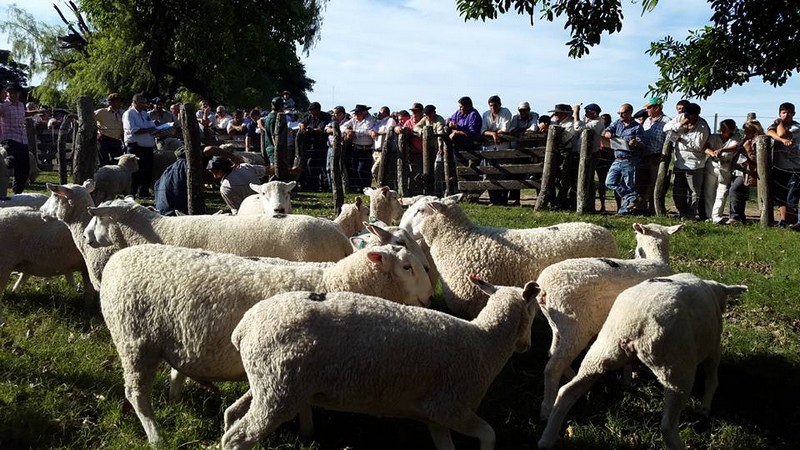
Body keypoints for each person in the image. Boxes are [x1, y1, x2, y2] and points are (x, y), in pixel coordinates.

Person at [664, 102, 710, 221]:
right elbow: (666, 129)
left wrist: (681, 138)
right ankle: (682, 213)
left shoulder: (703, 127)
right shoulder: (681, 118)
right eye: (686, 114)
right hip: (679, 162)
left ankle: (691, 215)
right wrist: (680, 124)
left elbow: (698, 146)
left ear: (696, 115)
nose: (687, 117)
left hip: (694, 164)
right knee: (678, 190)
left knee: (694, 192)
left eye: (689, 115)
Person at [602, 103, 644, 215]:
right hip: (617, 158)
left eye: (623, 113)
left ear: (630, 113)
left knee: (629, 185)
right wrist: (608, 134)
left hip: (629, 159)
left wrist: (635, 143)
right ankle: (632, 197)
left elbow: (642, 144)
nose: (620, 115)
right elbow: (606, 131)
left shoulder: (637, 127)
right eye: (619, 113)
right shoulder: (617, 123)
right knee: (609, 182)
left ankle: (624, 211)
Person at [204, 148, 273, 214]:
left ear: (220, 170)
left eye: (213, 169)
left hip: (249, 212)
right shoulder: (244, 167)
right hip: (264, 206)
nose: (210, 171)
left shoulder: (225, 188)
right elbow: (268, 170)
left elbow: (237, 210)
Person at [766, 102, 800, 228]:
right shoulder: (775, 125)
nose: (786, 115)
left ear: (794, 114)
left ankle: (794, 221)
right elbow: (769, 132)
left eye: (789, 112)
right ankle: (784, 221)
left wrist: (779, 124)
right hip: (779, 166)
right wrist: (781, 140)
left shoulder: (796, 127)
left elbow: (781, 134)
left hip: (794, 168)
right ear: (780, 113)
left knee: (792, 197)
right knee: (780, 196)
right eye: (784, 112)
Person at [638, 97, 671, 215]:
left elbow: (670, 141)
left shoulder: (667, 121)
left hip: (658, 157)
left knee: (655, 184)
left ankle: (654, 209)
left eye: (648, 108)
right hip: (644, 156)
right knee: (644, 183)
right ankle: (643, 208)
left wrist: (663, 156)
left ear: (656, 108)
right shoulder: (647, 121)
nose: (646, 110)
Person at [703, 119, 740, 224]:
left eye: (726, 128)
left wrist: (722, 150)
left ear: (731, 129)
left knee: (722, 192)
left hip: (725, 167)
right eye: (722, 128)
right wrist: (712, 153)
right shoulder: (714, 137)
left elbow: (735, 147)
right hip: (712, 165)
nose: (723, 130)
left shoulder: (735, 139)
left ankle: (716, 216)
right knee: (709, 192)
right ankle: (709, 215)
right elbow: (706, 147)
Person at [122, 93, 158, 197]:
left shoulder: (144, 114)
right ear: (135, 102)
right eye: (141, 103)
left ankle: (144, 192)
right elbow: (132, 130)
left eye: (144, 103)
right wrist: (148, 130)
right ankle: (131, 192)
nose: (144, 105)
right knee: (134, 171)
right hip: (136, 146)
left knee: (147, 171)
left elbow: (151, 126)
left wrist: (157, 129)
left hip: (147, 147)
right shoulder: (129, 114)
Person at [728, 120, 763, 224]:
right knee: (739, 193)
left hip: (750, 171)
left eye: (748, 131)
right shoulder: (745, 140)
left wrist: (748, 150)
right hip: (740, 170)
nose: (746, 133)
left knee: (734, 190)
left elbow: (759, 160)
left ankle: (735, 216)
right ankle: (740, 217)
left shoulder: (759, 141)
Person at [446, 96, 483, 197]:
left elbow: (472, 132)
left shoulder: (474, 115)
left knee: (472, 170)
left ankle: (473, 195)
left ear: (468, 106)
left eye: (461, 107)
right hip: (459, 147)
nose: (460, 109)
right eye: (459, 107)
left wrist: (457, 131)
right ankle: (463, 194)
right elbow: (450, 120)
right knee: (461, 169)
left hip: (472, 147)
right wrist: (450, 123)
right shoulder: (458, 113)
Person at [481, 95, 514, 205]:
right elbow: (483, 130)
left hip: (503, 147)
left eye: (495, 105)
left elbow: (505, 129)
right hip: (489, 148)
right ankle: (494, 200)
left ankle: (503, 199)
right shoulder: (486, 115)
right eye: (491, 105)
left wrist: (493, 132)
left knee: (503, 173)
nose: (493, 108)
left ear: (500, 105)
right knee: (490, 173)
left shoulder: (505, 112)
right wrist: (493, 133)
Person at [572, 103, 606, 211]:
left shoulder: (596, 123)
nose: (585, 113)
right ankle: (588, 205)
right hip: (585, 154)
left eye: (587, 111)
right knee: (586, 179)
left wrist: (576, 112)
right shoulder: (592, 122)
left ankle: (588, 205)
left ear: (594, 113)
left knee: (588, 179)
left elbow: (578, 127)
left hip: (591, 154)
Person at [0, 83, 31, 194]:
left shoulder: (21, 105)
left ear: (18, 94)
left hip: (22, 139)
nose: (11, 95)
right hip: (9, 138)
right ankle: (4, 167)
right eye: (9, 93)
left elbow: (24, 114)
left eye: (13, 93)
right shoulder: (3, 106)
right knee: (13, 159)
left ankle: (17, 194)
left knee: (24, 170)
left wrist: (37, 112)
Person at [340, 104, 376, 191]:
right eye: (355, 113)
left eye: (358, 113)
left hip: (366, 148)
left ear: (364, 113)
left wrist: (354, 132)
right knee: (355, 169)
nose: (356, 114)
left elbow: (366, 130)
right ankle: (359, 188)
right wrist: (347, 130)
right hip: (356, 148)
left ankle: (366, 187)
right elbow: (342, 126)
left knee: (363, 170)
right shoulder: (354, 119)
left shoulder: (369, 120)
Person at [154, 145, 189, 216]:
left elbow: (156, 185)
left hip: (162, 211)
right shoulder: (188, 167)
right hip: (177, 213)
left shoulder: (169, 169)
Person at [368, 106, 396, 186]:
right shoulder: (378, 122)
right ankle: (380, 187)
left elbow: (389, 131)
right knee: (378, 172)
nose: (379, 114)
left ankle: (381, 186)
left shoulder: (390, 120)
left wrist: (378, 133)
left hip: (384, 151)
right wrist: (372, 132)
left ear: (384, 112)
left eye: (380, 112)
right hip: (376, 151)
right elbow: (371, 129)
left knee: (375, 170)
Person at [95, 92, 125, 166]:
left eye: (120, 101)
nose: (120, 103)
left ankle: (114, 177)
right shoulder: (102, 112)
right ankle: (102, 176)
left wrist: (123, 142)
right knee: (103, 162)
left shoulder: (123, 113)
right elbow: (89, 119)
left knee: (118, 161)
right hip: (103, 139)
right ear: (111, 102)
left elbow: (123, 129)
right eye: (117, 101)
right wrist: (96, 130)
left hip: (116, 140)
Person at [596, 112, 615, 212]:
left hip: (611, 157)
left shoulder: (613, 129)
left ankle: (619, 204)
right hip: (602, 156)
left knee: (615, 181)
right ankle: (603, 205)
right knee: (601, 182)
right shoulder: (600, 129)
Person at [261, 97, 284, 165]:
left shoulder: (269, 116)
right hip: (273, 149)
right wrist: (277, 150)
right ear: (280, 106)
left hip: (269, 148)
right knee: (275, 169)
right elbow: (273, 136)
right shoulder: (273, 118)